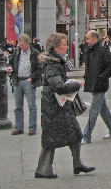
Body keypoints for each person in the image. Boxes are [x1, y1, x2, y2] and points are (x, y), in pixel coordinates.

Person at [35, 33, 94, 178]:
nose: (67, 47)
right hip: (54, 106)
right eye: (64, 44)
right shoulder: (52, 64)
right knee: (52, 138)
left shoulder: (55, 62)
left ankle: (76, 164)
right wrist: (75, 84)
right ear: (55, 47)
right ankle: (44, 170)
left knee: (73, 134)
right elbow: (58, 86)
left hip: (57, 105)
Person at [81, 30, 111, 144]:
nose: (86, 41)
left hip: (99, 85)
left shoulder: (103, 51)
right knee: (103, 109)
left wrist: (101, 77)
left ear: (95, 39)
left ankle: (86, 136)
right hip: (94, 83)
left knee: (94, 110)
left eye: (88, 39)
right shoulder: (90, 50)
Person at [7, 34, 41, 135]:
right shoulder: (17, 52)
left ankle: (32, 127)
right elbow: (11, 61)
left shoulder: (35, 53)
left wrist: (33, 77)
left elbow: (40, 68)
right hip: (17, 80)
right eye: (19, 45)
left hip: (28, 80)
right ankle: (19, 127)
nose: (20, 47)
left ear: (28, 44)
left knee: (31, 105)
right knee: (18, 106)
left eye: (22, 45)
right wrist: (10, 67)